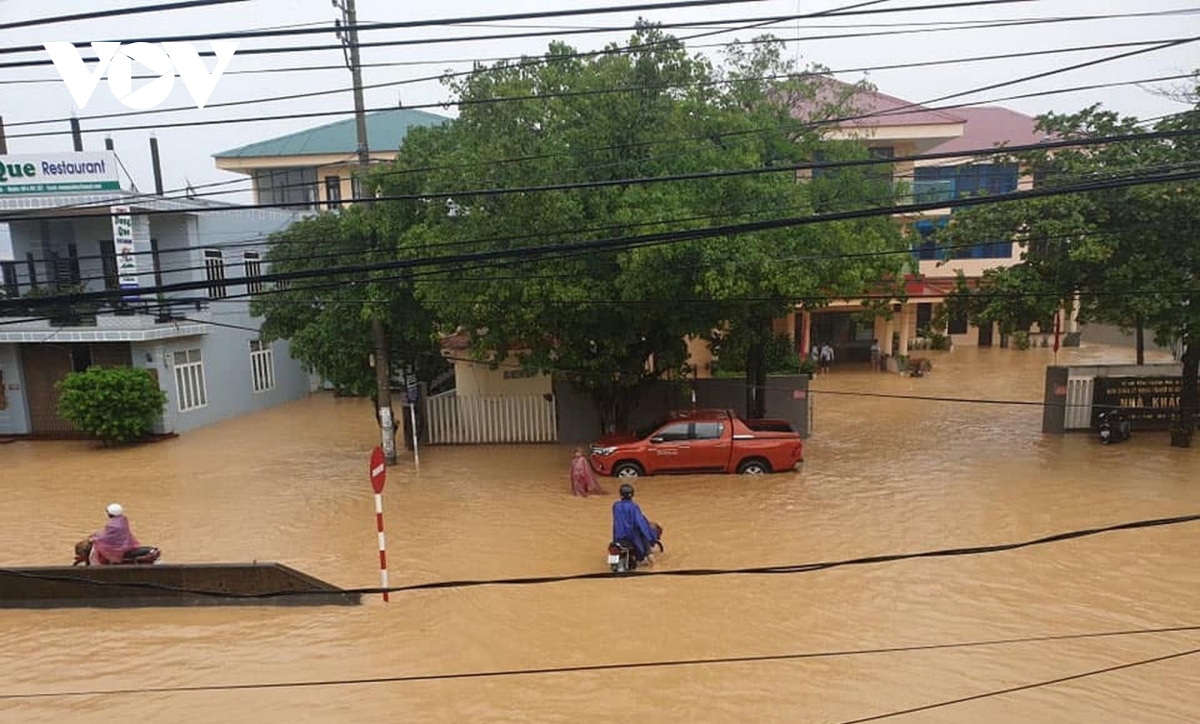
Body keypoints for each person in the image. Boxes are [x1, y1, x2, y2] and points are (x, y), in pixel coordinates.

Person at [611, 484, 660, 563]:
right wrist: (647, 533)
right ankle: (656, 567)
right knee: (647, 547)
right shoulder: (633, 506)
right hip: (632, 535)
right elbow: (639, 522)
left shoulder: (616, 505)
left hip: (618, 536)